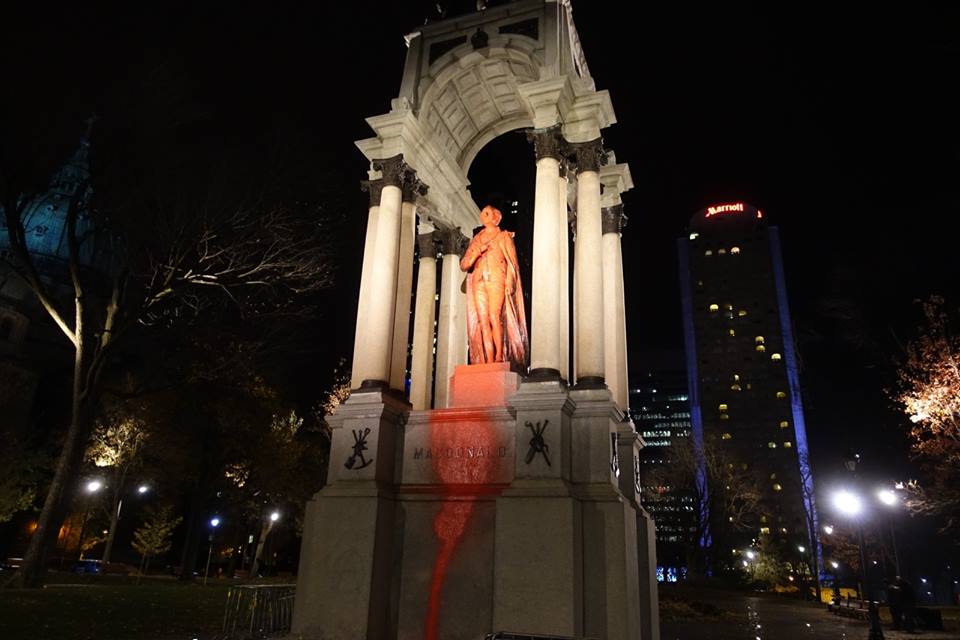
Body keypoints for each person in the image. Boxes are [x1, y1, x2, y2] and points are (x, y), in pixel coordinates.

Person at [459, 204, 528, 370]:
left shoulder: (503, 237)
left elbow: (513, 263)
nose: (484, 214)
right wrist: (477, 251)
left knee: (494, 316)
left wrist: (510, 281)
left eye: (488, 212)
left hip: (497, 279)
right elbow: (464, 264)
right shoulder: (476, 240)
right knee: (483, 321)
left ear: (497, 218)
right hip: (479, 281)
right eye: (483, 212)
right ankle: (487, 360)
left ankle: (498, 356)